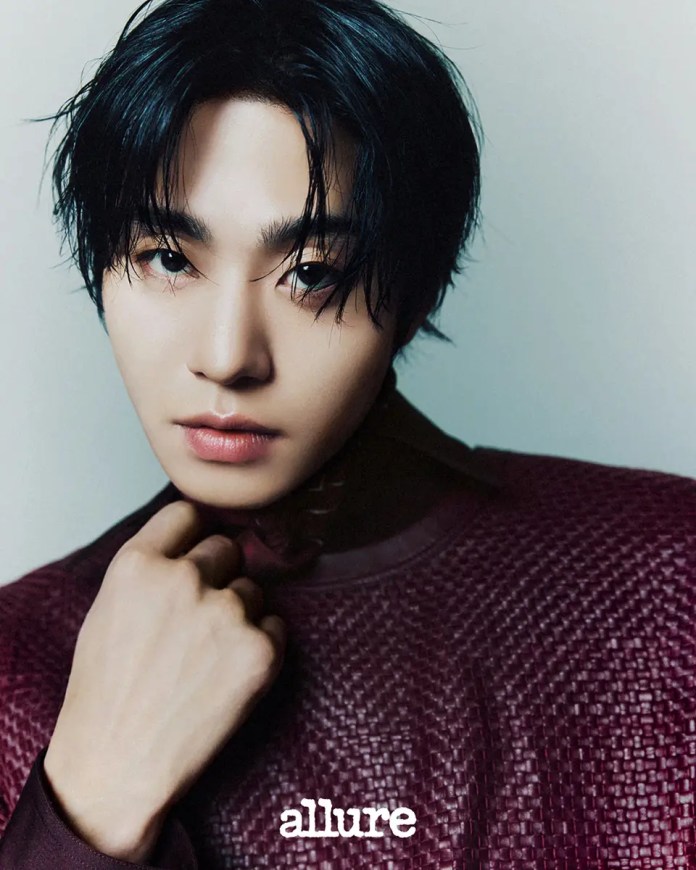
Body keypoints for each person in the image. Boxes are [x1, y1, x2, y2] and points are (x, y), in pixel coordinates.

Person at [0, 0, 694, 867]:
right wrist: (91, 799)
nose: (227, 358)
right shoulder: (15, 662)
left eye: (312, 273)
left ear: (417, 290)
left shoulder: (674, 581)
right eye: (169, 259)